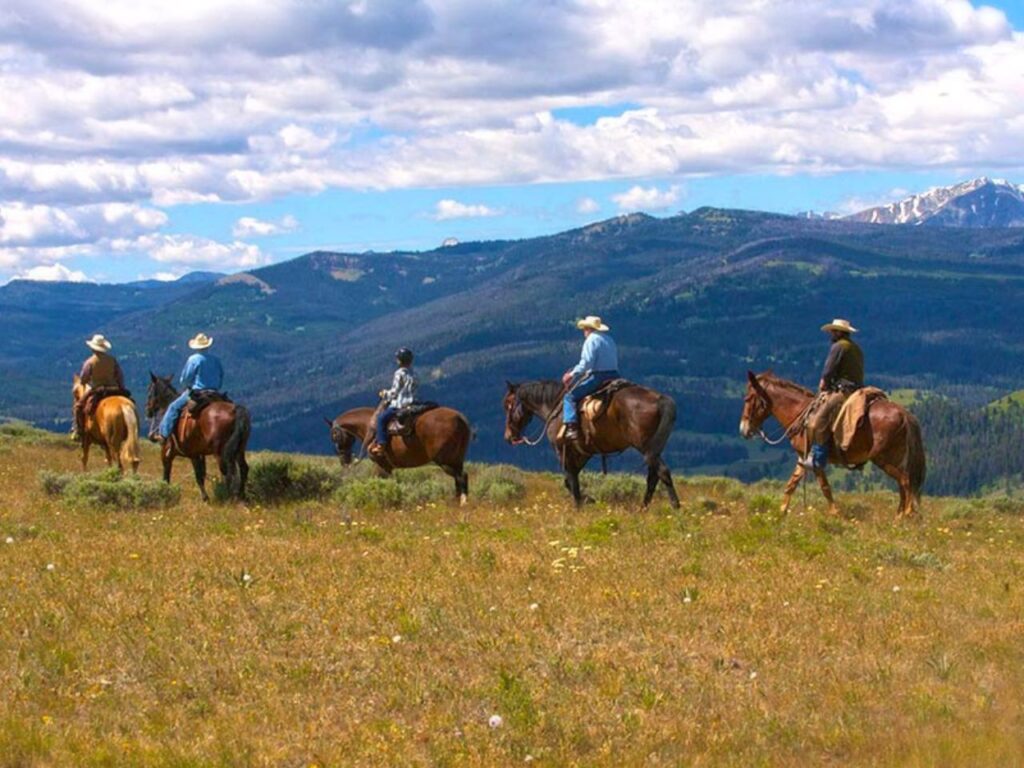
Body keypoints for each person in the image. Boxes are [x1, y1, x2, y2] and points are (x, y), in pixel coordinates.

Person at [804, 318, 864, 469]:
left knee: (817, 421)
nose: (830, 334)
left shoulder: (838, 347)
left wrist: (823, 386)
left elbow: (828, 371)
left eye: (832, 331)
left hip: (844, 392)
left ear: (838, 332)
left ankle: (818, 457)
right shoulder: (856, 348)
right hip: (858, 390)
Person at [154, 332, 224, 443]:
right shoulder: (215, 359)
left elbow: (186, 379)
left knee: (173, 407)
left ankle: (163, 434)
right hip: (214, 392)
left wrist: (187, 386)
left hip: (198, 392)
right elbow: (220, 375)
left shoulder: (194, 359)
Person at [561, 315, 620, 443]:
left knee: (569, 397)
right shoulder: (609, 339)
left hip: (599, 376)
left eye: (584, 329)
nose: (584, 331)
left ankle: (572, 428)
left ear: (588, 329)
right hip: (615, 375)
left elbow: (586, 364)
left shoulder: (591, 340)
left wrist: (571, 375)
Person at [72, 334, 126, 440]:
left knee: (78, 407)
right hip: (114, 389)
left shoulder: (90, 362)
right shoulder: (113, 360)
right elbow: (120, 375)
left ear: (93, 347)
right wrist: (121, 388)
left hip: (97, 390)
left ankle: (79, 431)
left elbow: (83, 379)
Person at [369, 348, 418, 458]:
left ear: (399, 360)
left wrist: (384, 393)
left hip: (400, 405)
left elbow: (395, 392)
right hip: (414, 403)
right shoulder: (414, 373)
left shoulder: (399, 373)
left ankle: (381, 445)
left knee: (381, 418)